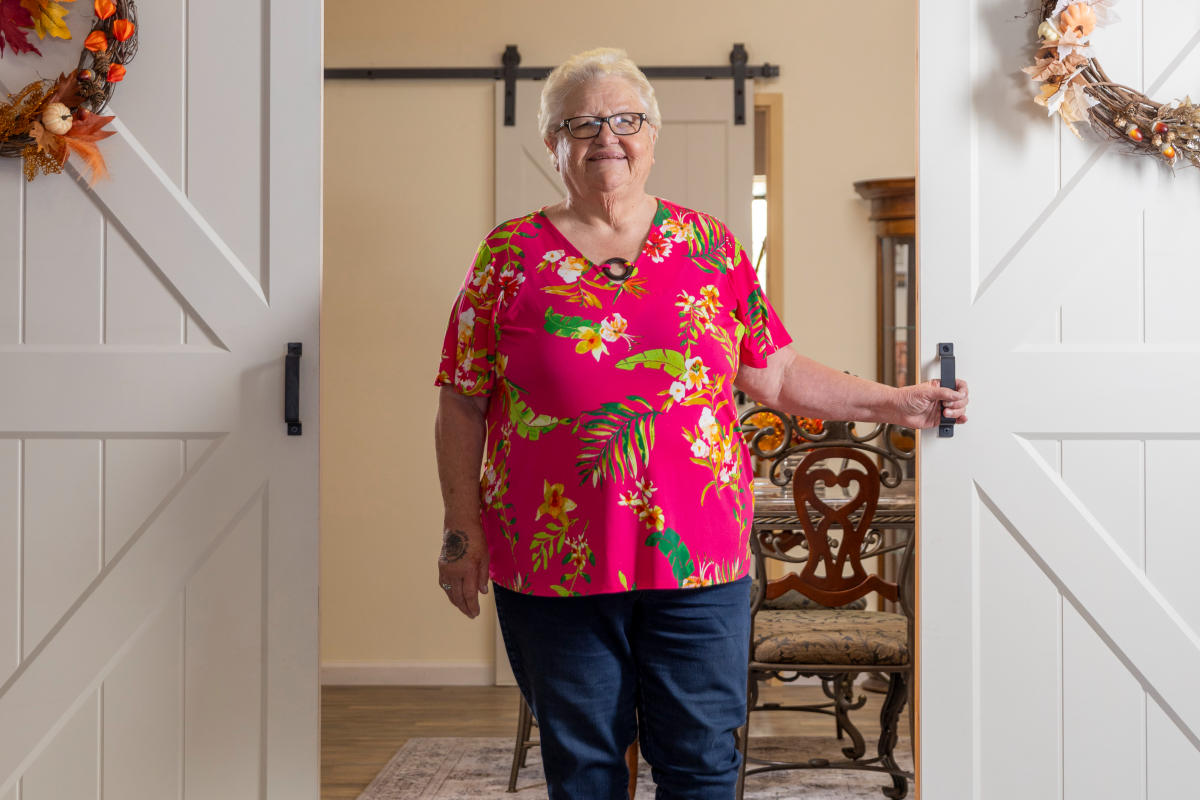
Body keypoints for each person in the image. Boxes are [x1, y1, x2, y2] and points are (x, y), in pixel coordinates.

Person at [434, 47, 968, 799]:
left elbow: (776, 373)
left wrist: (894, 402)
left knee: (702, 762)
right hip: (552, 561)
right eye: (581, 124)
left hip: (698, 561)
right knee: (583, 766)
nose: (606, 138)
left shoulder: (710, 247)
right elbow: (462, 396)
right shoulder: (508, 258)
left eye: (625, 119)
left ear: (653, 136)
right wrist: (463, 528)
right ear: (553, 144)